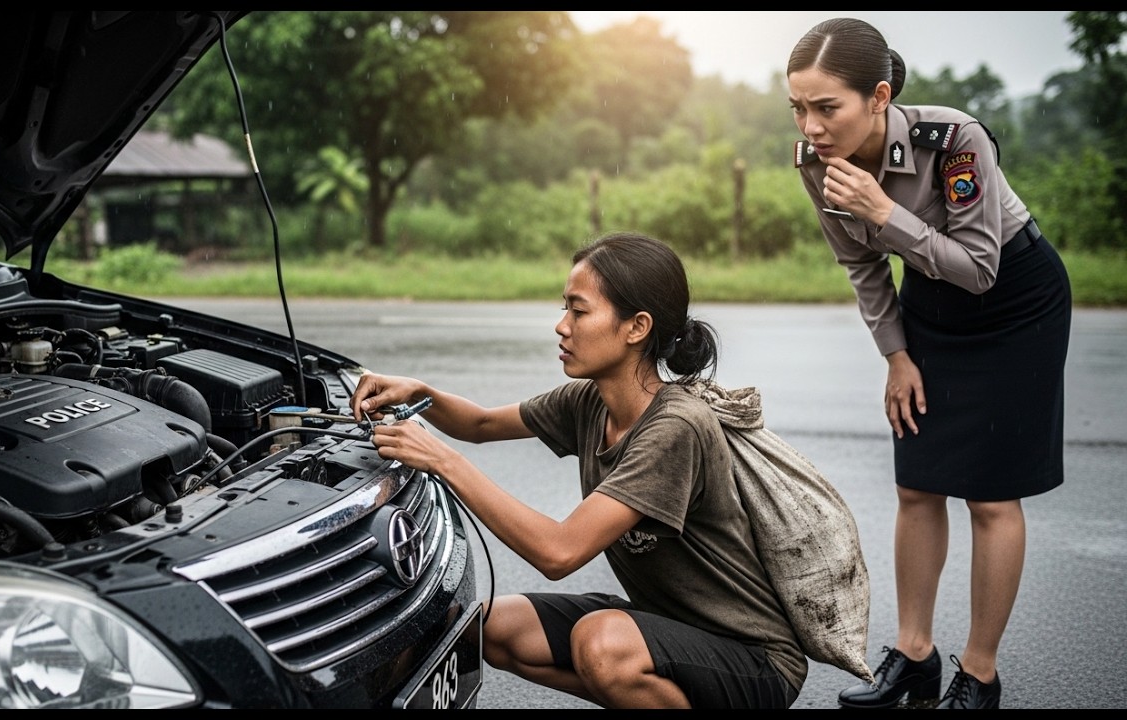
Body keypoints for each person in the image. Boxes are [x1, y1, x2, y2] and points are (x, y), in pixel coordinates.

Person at [349, 232, 806, 709]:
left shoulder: (675, 428)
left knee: (601, 646)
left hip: (752, 659)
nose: (561, 326)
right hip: (664, 627)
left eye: (579, 311)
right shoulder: (591, 401)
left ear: (637, 327)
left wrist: (442, 459)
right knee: (492, 631)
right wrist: (419, 391)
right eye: (564, 309)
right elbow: (481, 424)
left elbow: (559, 553)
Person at [786, 17, 1072, 710]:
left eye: (828, 107)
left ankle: (979, 673)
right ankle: (914, 657)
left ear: (879, 97)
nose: (812, 126)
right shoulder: (814, 163)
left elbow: (978, 269)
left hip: (1014, 303)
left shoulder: (955, 142)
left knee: (991, 496)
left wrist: (884, 208)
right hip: (930, 311)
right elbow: (863, 269)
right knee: (918, 484)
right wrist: (898, 357)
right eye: (798, 107)